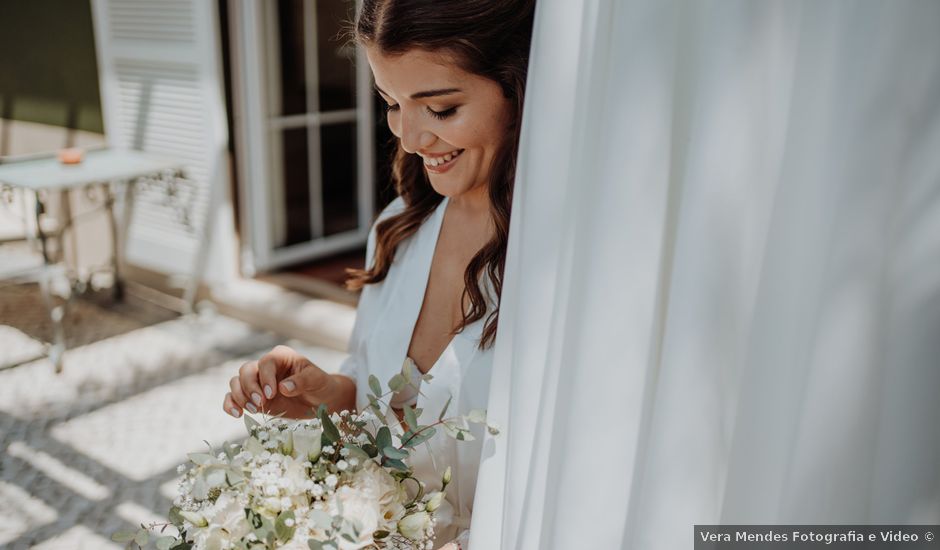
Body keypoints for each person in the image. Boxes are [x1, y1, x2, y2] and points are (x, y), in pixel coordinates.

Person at [222, 0, 535, 547]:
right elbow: (375, 402)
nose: (410, 139)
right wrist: (322, 397)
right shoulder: (398, 229)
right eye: (391, 103)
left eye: (439, 109)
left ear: (519, 88)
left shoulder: (553, 267)